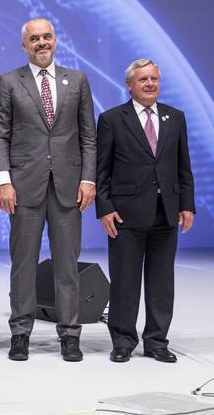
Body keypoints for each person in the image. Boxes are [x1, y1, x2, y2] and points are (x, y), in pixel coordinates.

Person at [0, 18, 96, 362]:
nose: (41, 43)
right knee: (23, 265)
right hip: (23, 188)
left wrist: (88, 179)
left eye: (46, 37)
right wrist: (4, 181)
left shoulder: (77, 80)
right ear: (24, 45)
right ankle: (20, 333)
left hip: (68, 187)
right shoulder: (9, 82)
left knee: (67, 266)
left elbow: (88, 136)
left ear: (55, 40)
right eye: (34, 39)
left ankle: (70, 334)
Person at [95, 59, 194, 363]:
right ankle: (123, 341)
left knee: (162, 282)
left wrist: (186, 204)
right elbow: (101, 170)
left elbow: (183, 166)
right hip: (125, 214)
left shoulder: (175, 117)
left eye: (154, 79)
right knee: (124, 282)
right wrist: (105, 208)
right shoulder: (112, 119)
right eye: (143, 79)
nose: (150, 84)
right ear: (130, 85)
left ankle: (156, 342)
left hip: (166, 212)